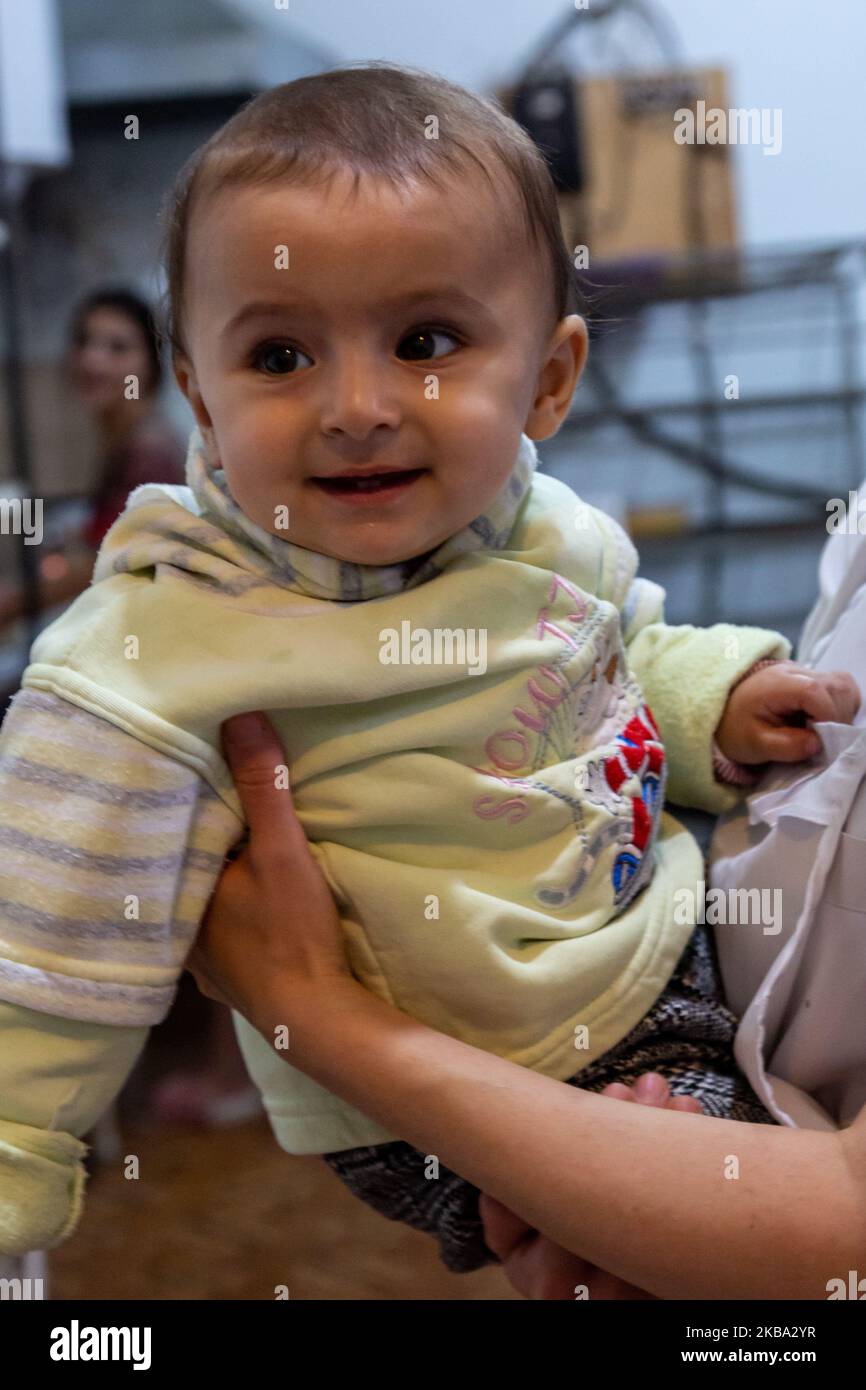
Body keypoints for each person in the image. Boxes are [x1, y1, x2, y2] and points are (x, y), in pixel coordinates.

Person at [0, 63, 858, 1270]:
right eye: (280, 357)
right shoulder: (161, 641)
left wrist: (708, 698)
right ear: (196, 391)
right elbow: (49, 932)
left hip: (665, 951)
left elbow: (612, 656)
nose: (355, 407)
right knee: (702, 1220)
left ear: (548, 379)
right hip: (440, 1078)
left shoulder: (539, 528)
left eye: (424, 341)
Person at [182, 707, 866, 1300]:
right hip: (671, 1091)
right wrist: (644, 1227)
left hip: (664, 1049)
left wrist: (304, 1006)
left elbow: (850, 1225)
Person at [0, 288, 185, 629]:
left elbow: (102, 558)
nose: (92, 361)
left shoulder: (148, 451)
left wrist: (10, 604)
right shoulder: (126, 438)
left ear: (151, 362)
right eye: (84, 342)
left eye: (118, 348)